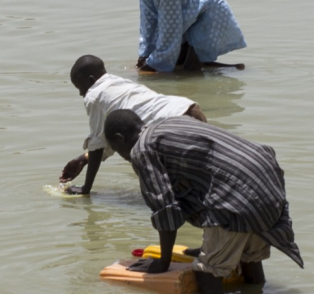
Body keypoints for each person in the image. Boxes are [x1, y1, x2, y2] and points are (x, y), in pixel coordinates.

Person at [104, 107, 298, 294]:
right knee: (249, 258)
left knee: (206, 273)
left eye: (117, 150)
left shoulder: (142, 149)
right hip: (269, 185)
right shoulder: (171, 123)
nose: (124, 158)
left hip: (239, 196)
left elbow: (165, 209)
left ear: (120, 139)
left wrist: (162, 262)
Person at [58, 54, 206, 196]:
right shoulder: (119, 82)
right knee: (202, 177)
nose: (80, 94)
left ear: (91, 80)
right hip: (189, 108)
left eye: (79, 88)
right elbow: (110, 138)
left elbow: (97, 145)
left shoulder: (93, 95)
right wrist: (84, 158)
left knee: (176, 191)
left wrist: (86, 189)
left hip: (171, 125)